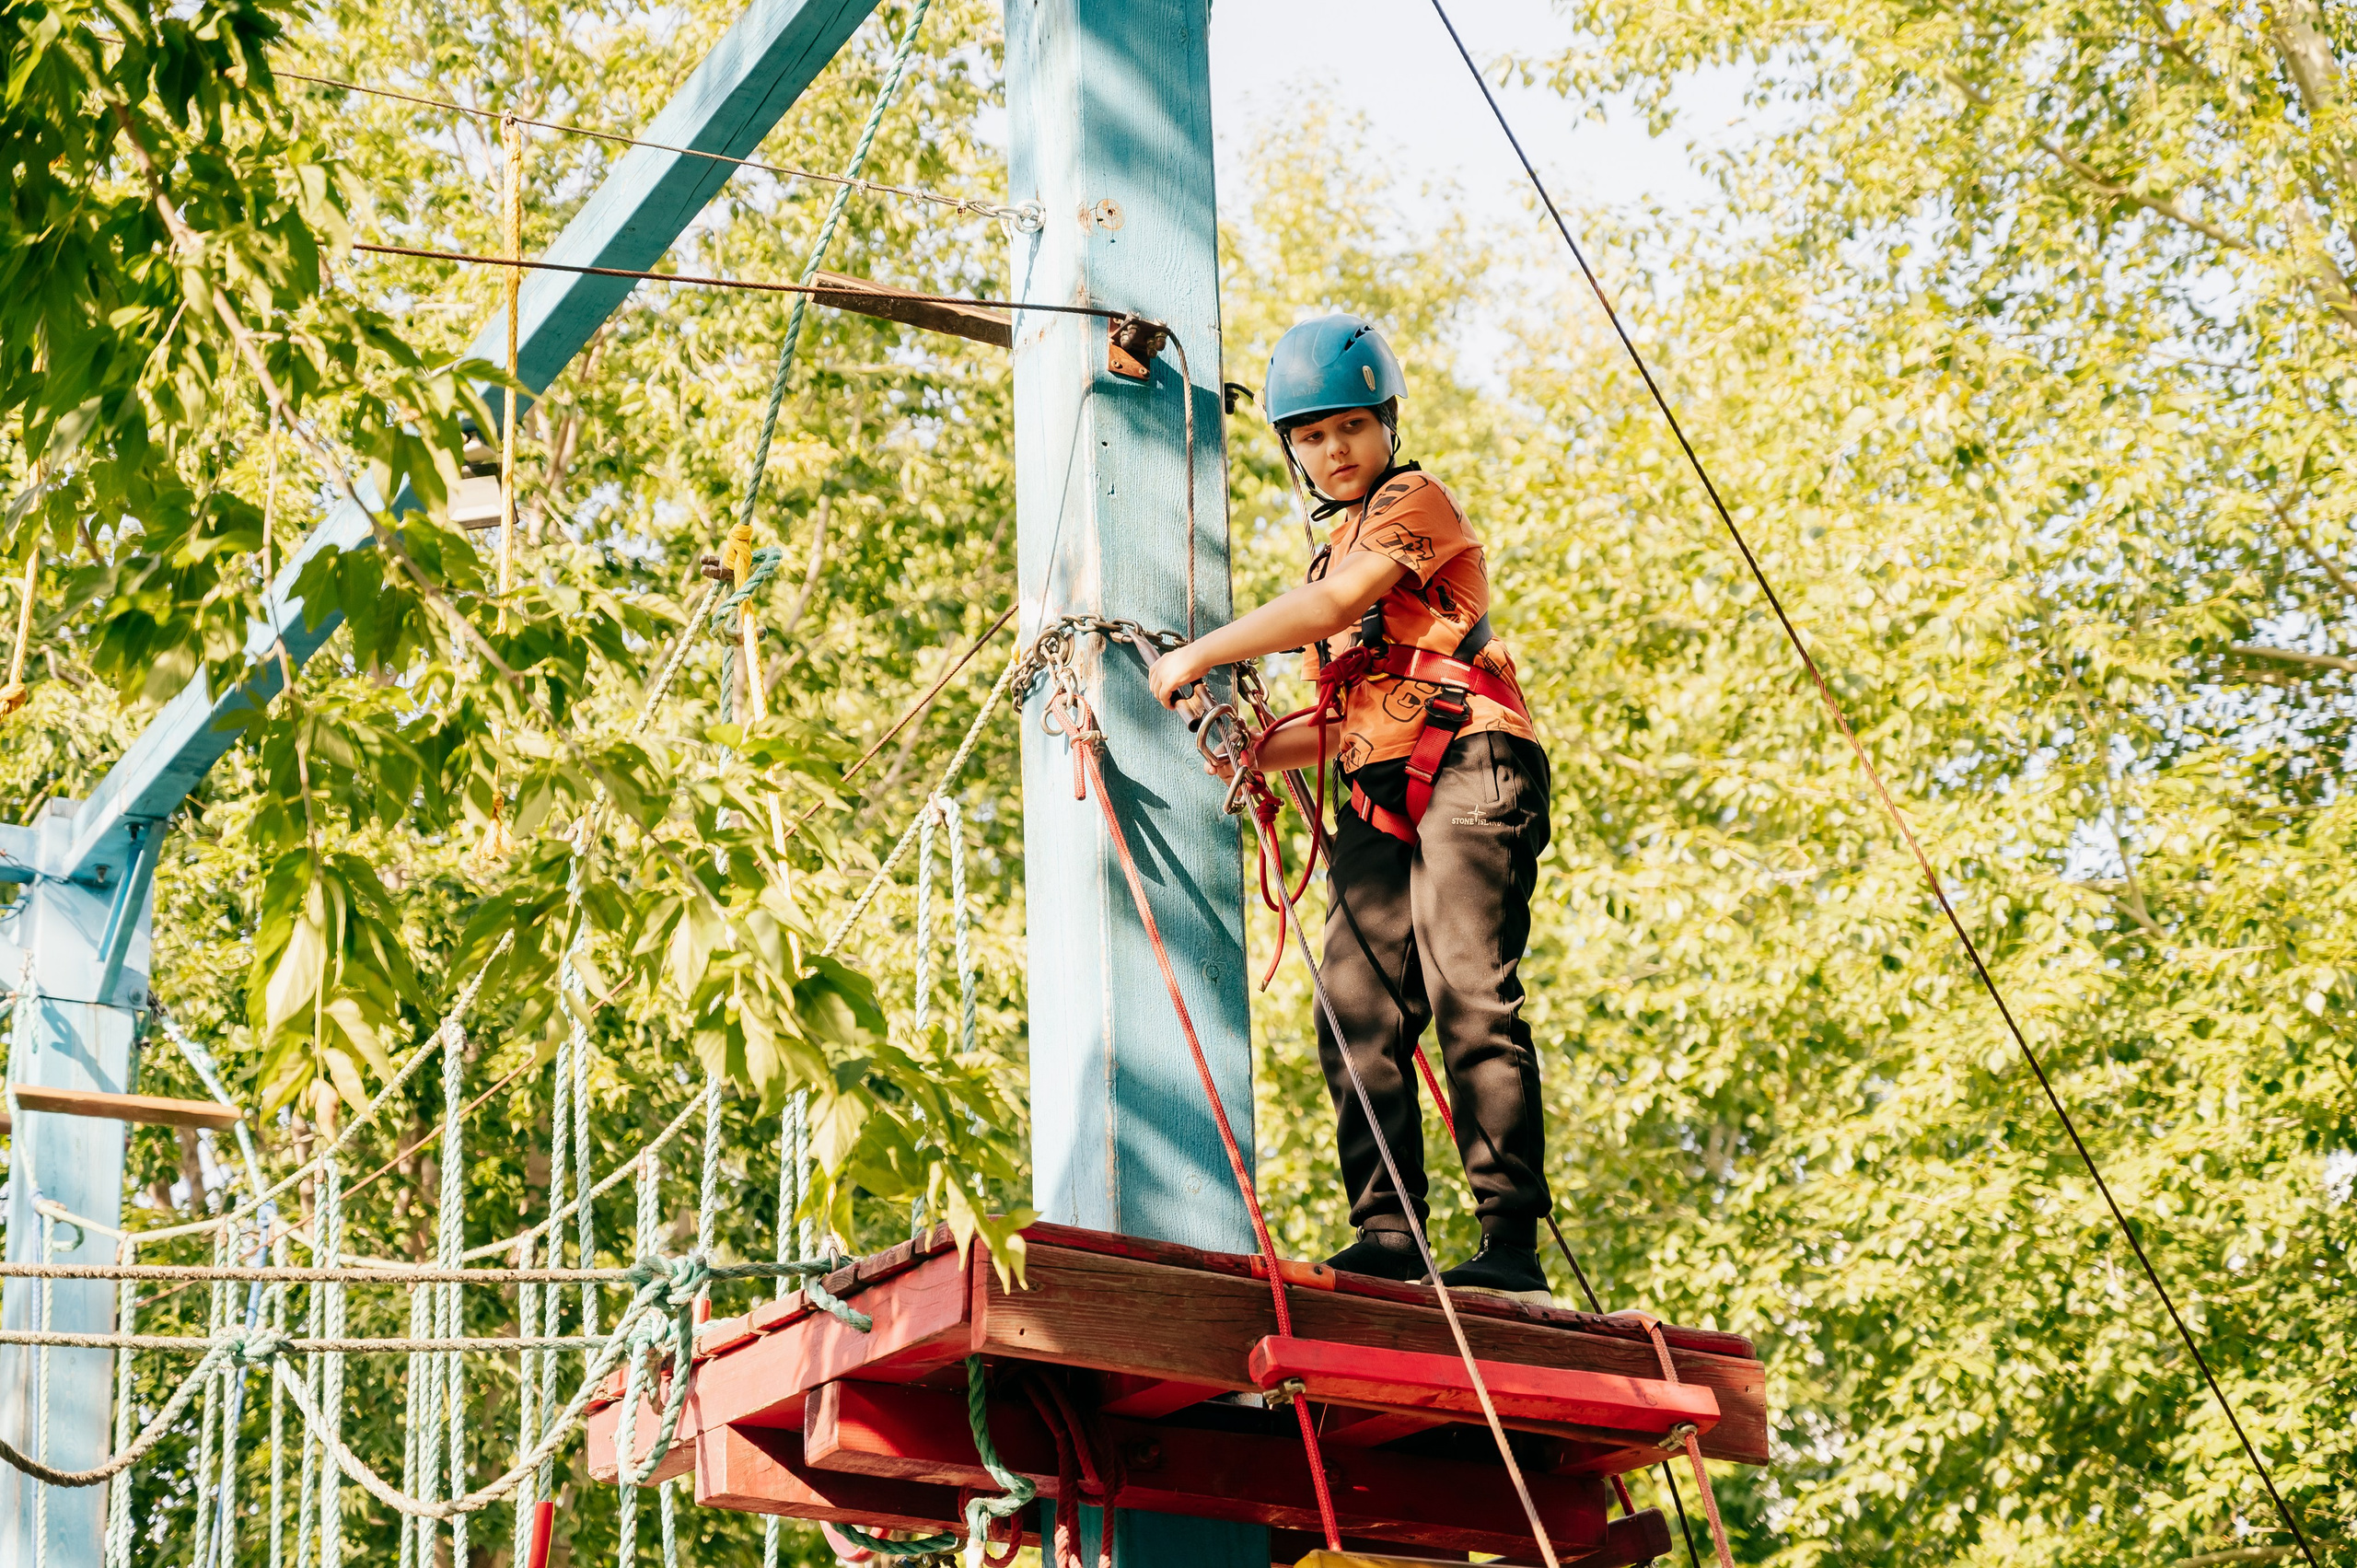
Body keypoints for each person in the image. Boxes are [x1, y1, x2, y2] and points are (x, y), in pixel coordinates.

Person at [1147, 314, 1557, 1303]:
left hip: (1471, 761)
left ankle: (1509, 1242)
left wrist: (1203, 651)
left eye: (1350, 428)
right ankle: (1389, 1229)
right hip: (1380, 786)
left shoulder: (1416, 501)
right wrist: (1249, 751)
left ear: (1386, 424)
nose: (1333, 450)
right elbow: (1340, 723)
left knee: (1467, 988)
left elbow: (1336, 615)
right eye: (1312, 436)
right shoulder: (1327, 562)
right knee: (1355, 1004)